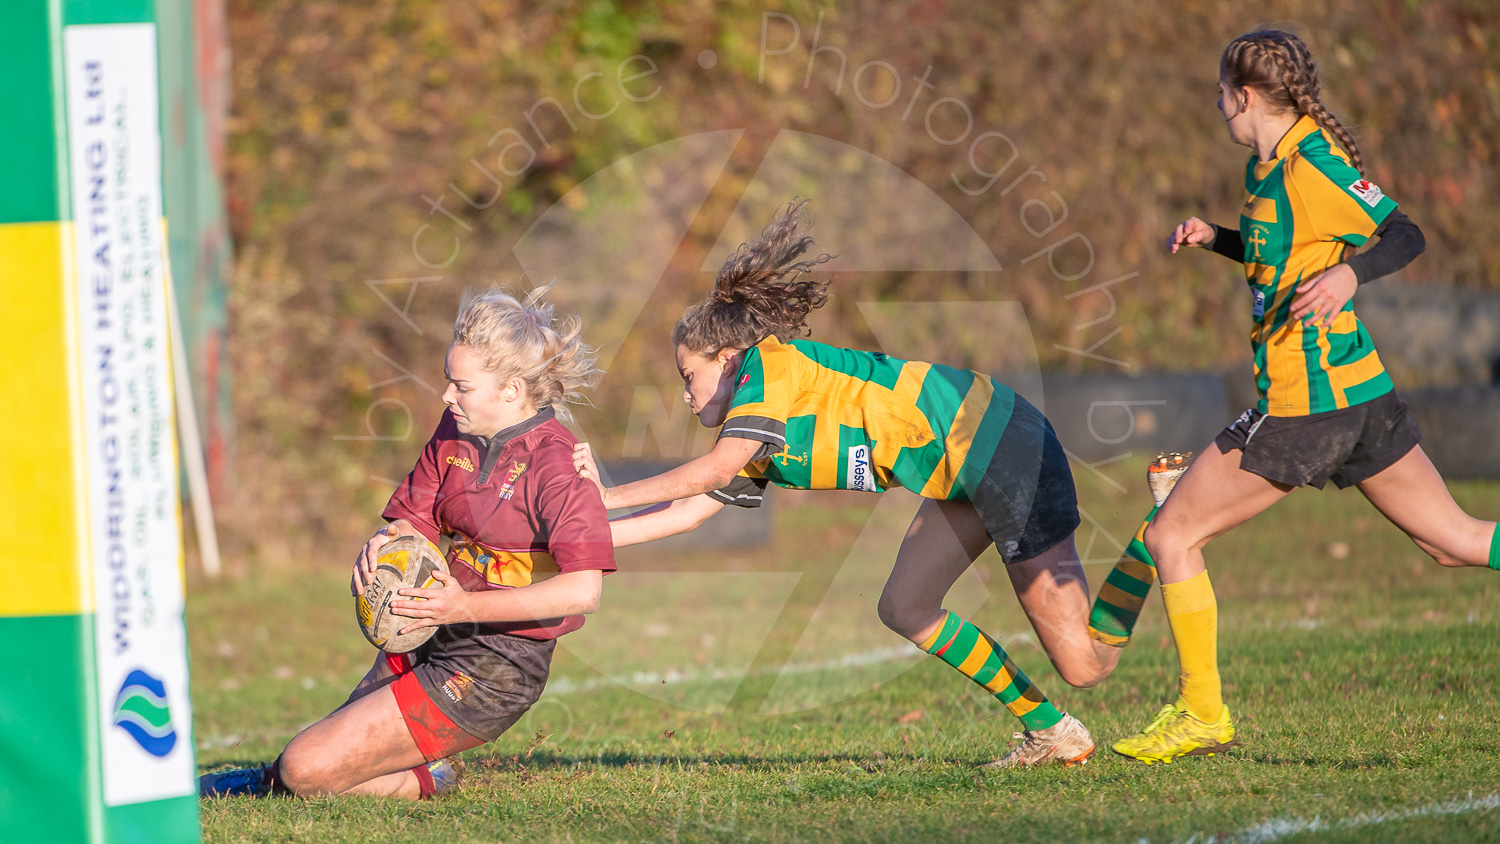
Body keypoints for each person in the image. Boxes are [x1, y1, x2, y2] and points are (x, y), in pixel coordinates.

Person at [573, 199, 1123, 768]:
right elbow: (684, 514)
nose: (686, 395)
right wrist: (580, 537)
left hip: (998, 439)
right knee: (906, 606)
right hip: (961, 467)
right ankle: (1051, 731)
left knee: (1085, 665)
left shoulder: (767, 368)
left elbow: (711, 470)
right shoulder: (755, 437)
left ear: (730, 358)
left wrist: (607, 496)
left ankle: (1154, 542)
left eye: (690, 376)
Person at [1109, 29, 1498, 764]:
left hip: (1306, 404)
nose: (1216, 104)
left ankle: (1201, 713)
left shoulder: (1314, 162)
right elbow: (1278, 254)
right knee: (1453, 544)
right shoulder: (1268, 166)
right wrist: (1215, 237)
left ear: (1246, 97)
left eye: (1221, 92)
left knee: (1171, 536)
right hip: (1358, 392)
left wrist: (1354, 276)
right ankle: (1199, 712)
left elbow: (1405, 234)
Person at [200, 288, 614, 799]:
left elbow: (582, 592)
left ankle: (429, 780)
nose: (446, 396)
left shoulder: (557, 465)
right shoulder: (455, 429)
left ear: (510, 389)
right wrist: (385, 544)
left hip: (494, 666)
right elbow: (412, 522)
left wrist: (462, 606)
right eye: (448, 381)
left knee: (306, 770)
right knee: (315, 761)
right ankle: (276, 780)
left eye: (461, 386)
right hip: (427, 629)